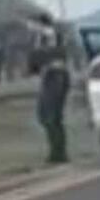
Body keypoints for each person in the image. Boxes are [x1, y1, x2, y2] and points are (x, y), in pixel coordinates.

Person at [27, 13, 70, 164]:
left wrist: (35, 63)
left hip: (55, 76)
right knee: (48, 116)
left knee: (50, 116)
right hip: (51, 76)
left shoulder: (48, 36)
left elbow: (47, 55)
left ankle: (58, 153)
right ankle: (57, 152)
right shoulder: (43, 37)